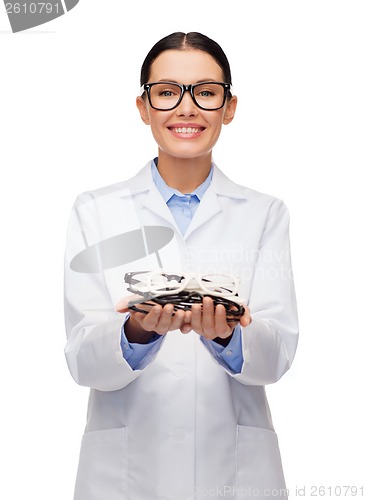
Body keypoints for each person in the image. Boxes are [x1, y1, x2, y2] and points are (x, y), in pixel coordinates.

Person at [64, 32, 298, 500]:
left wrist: (229, 335)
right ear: (143, 107)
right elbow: (82, 359)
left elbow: (276, 355)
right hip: (125, 476)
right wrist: (136, 332)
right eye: (167, 92)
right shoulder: (95, 210)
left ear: (229, 108)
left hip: (234, 472)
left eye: (206, 93)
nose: (186, 108)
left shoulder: (264, 212)